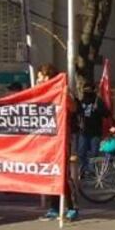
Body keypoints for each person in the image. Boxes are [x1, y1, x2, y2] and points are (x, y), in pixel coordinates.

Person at [37, 64, 80, 221]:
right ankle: (54, 207)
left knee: (63, 173)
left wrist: (61, 96)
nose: (38, 79)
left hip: (61, 139)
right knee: (48, 172)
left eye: (40, 76)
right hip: (45, 139)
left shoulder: (62, 91)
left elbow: (73, 108)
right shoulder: (39, 93)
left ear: (48, 76)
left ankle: (72, 207)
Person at [75, 82, 111, 169]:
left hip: (95, 132)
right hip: (84, 131)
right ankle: (84, 167)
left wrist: (98, 109)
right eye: (85, 90)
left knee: (94, 154)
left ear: (93, 90)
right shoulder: (82, 101)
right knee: (81, 152)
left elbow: (107, 114)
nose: (86, 92)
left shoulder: (98, 101)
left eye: (88, 90)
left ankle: (91, 170)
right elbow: (77, 112)